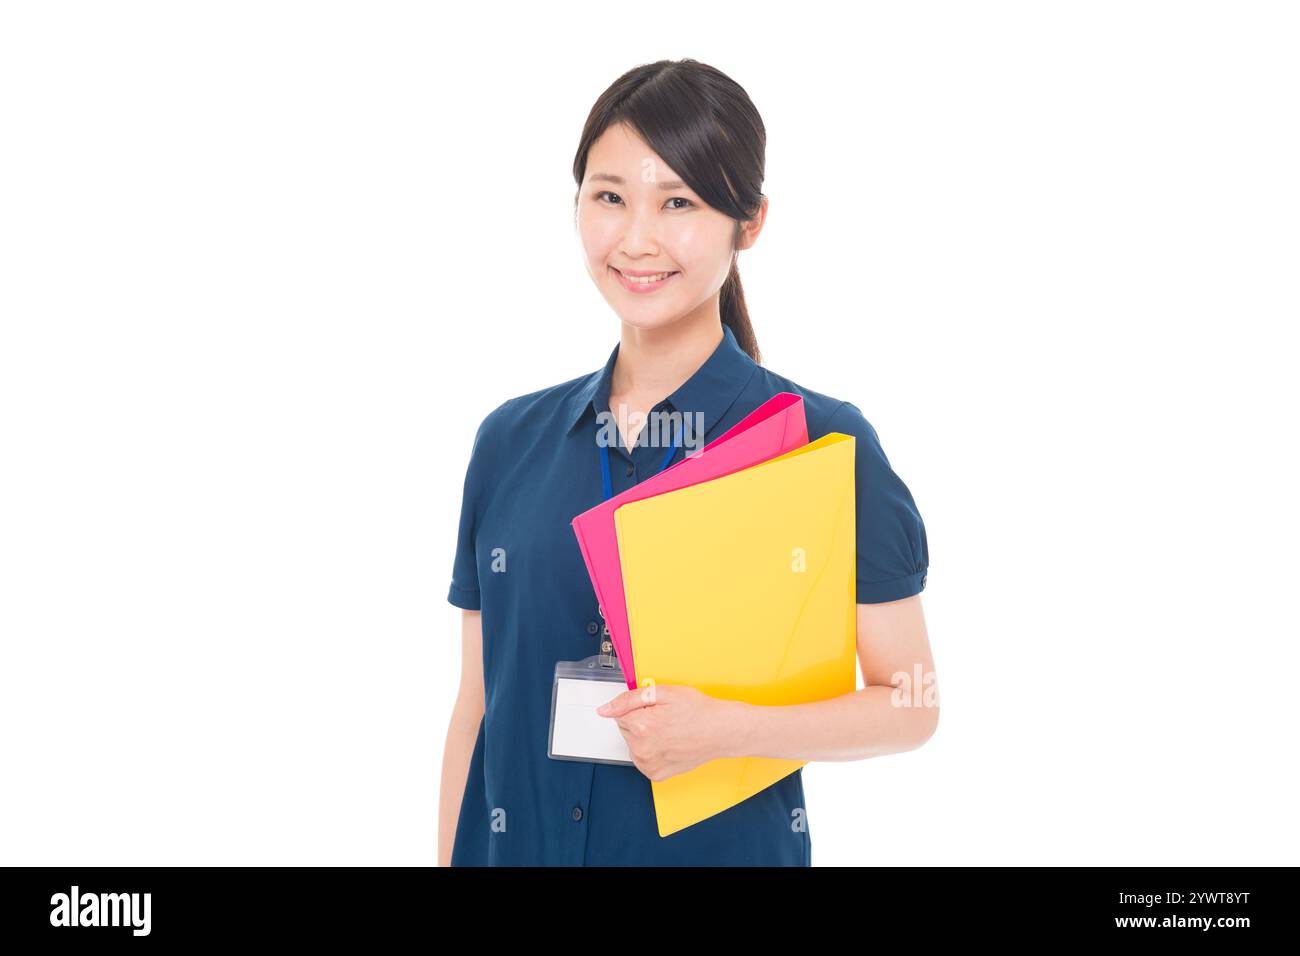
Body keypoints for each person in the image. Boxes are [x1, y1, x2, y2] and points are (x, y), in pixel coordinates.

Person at [438, 58, 937, 867]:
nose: (637, 239)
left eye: (679, 202)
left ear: (750, 222)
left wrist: (730, 731)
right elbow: (475, 711)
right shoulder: (509, 442)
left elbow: (910, 704)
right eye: (610, 197)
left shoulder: (822, 444)